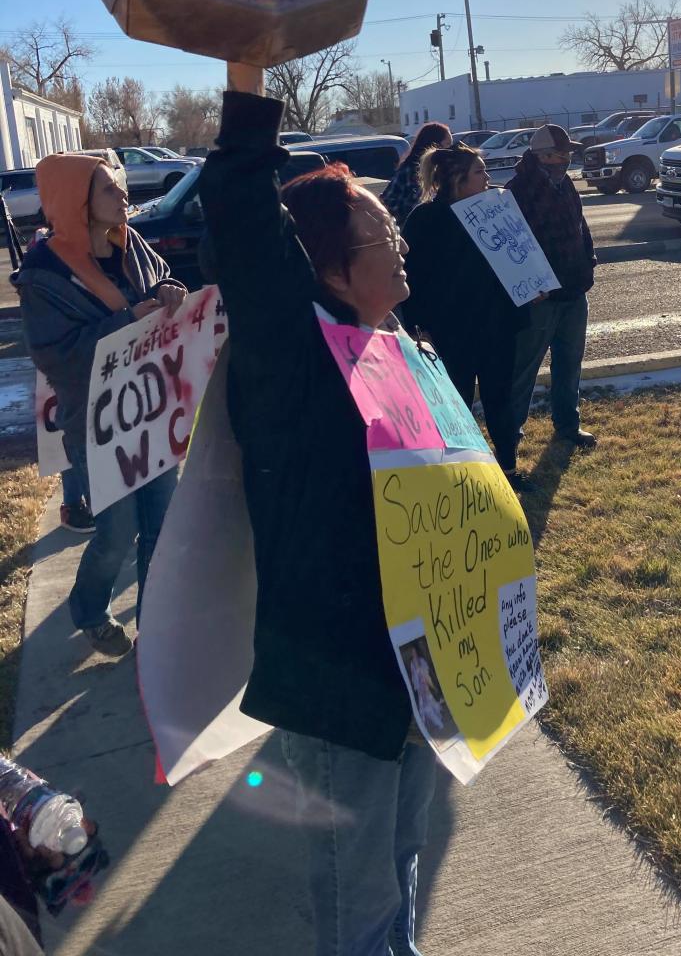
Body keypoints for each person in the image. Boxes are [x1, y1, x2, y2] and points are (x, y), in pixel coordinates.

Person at [199, 90, 438, 956]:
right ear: (331, 268)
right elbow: (241, 216)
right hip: (341, 676)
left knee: (402, 855)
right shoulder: (294, 354)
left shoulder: (397, 344)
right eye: (384, 234)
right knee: (359, 894)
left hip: (415, 660)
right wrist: (249, 85)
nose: (401, 241)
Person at [14, 155, 186, 657]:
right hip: (96, 424)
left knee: (161, 521)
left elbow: (158, 285)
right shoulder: (43, 275)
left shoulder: (129, 245)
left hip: (152, 410)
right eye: (110, 190)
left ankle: (157, 620)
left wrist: (167, 293)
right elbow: (55, 356)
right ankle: (90, 611)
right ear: (77, 202)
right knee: (118, 529)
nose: (124, 198)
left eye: (121, 187)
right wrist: (129, 319)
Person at [402, 143, 527, 482]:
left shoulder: (495, 211)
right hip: (451, 332)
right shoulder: (426, 219)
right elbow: (409, 276)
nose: (487, 177)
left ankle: (509, 469)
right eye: (479, 171)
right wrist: (417, 325)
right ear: (457, 178)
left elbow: (518, 258)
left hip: (496, 326)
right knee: (456, 403)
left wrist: (531, 285)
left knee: (501, 399)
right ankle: (463, 473)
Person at [506, 124, 597, 457]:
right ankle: (510, 433)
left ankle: (568, 426)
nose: (567, 158)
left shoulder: (565, 183)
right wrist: (531, 286)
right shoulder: (518, 190)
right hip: (540, 299)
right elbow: (512, 246)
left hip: (574, 290)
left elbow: (580, 226)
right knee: (524, 368)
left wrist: (589, 260)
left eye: (568, 153)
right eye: (562, 153)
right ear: (542, 155)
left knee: (570, 362)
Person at [382, 122, 452, 227]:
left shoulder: (438, 170)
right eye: (447, 146)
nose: (450, 151)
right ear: (434, 146)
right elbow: (418, 209)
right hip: (404, 230)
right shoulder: (413, 171)